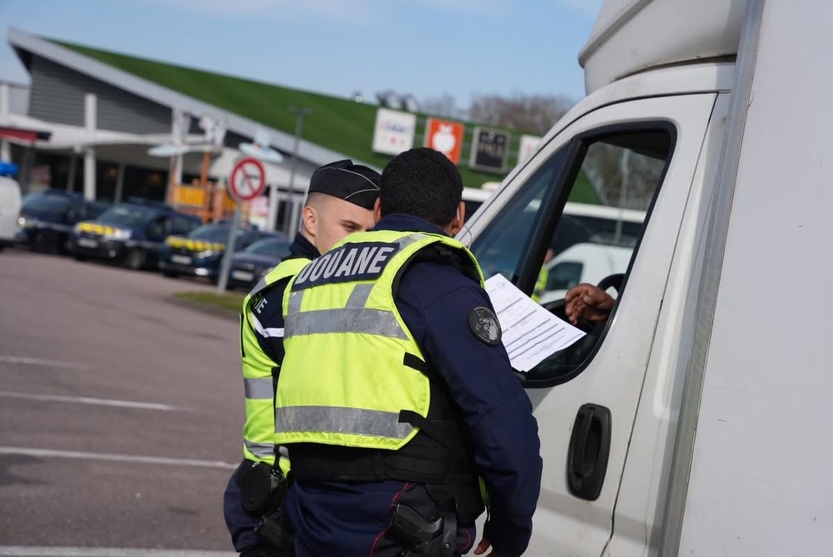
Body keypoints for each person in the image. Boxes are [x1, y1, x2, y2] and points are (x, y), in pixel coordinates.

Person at [275, 147, 543, 557]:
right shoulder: (436, 282)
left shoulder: (311, 278)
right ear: (459, 216)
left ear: (378, 208)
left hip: (313, 516)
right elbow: (502, 421)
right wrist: (510, 529)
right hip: (402, 525)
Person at [223, 159, 381, 557]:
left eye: (370, 233)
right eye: (349, 227)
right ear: (311, 220)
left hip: (279, 486)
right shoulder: (293, 293)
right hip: (283, 496)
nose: (360, 244)